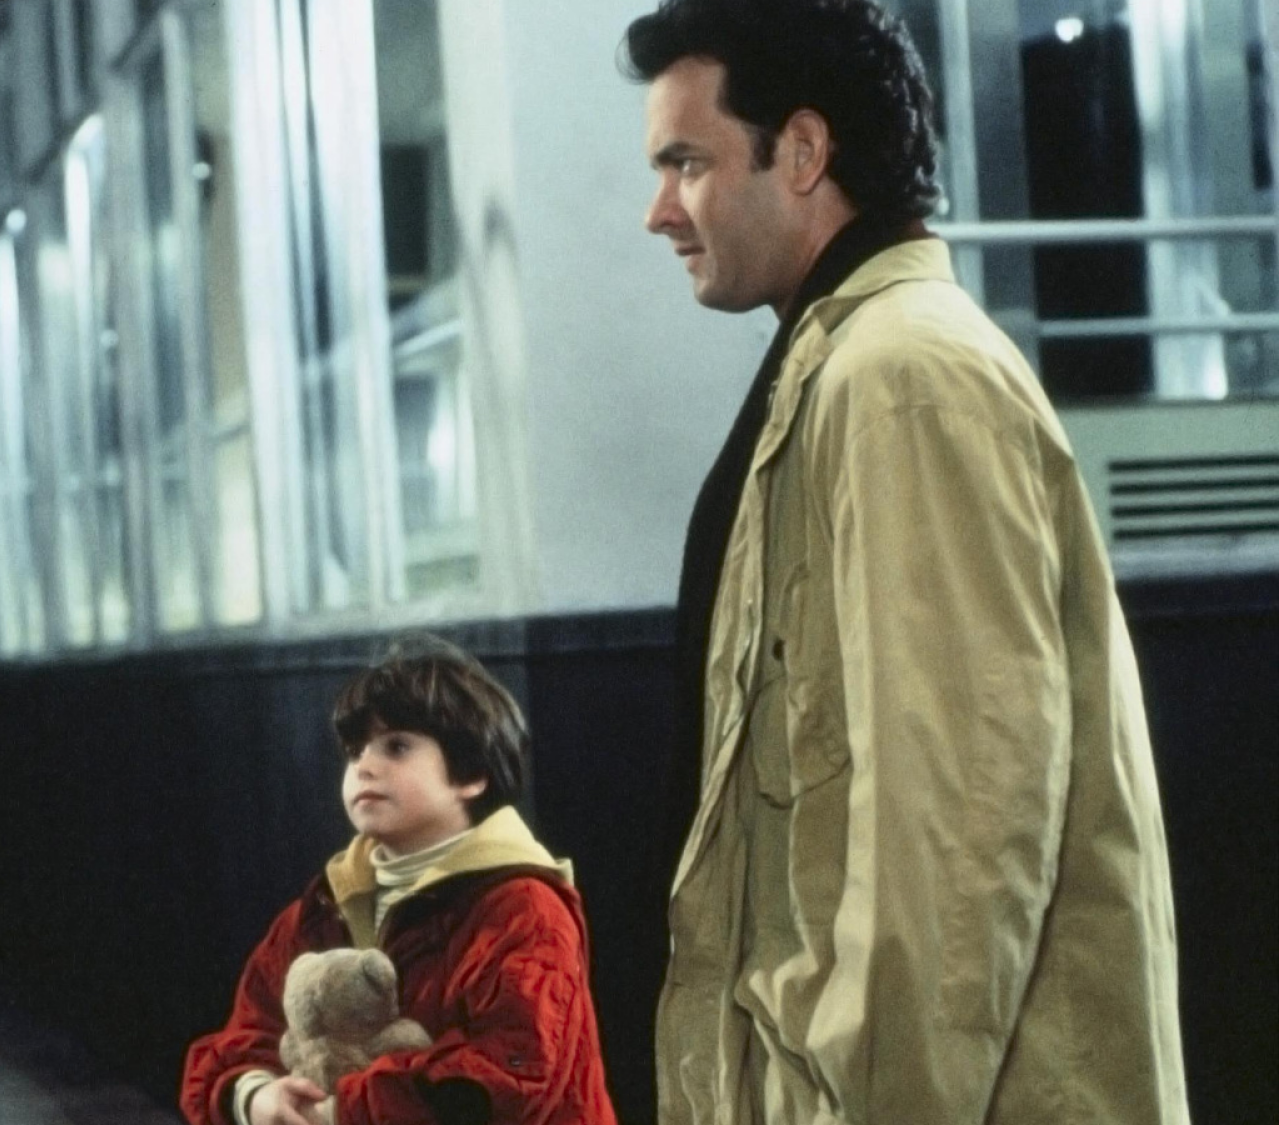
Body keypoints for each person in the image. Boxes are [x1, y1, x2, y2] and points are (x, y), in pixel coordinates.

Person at [621, 1, 1188, 1122]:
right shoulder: (838, 370)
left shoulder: (901, 383)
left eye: (685, 162)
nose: (658, 212)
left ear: (801, 150)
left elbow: (952, 852)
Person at [181, 635, 618, 1125]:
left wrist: (345, 1110)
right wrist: (254, 1096)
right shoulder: (322, 909)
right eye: (354, 749)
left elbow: (508, 1073)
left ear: (471, 772)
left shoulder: (523, 909)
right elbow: (244, 1035)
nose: (364, 765)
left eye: (397, 746)